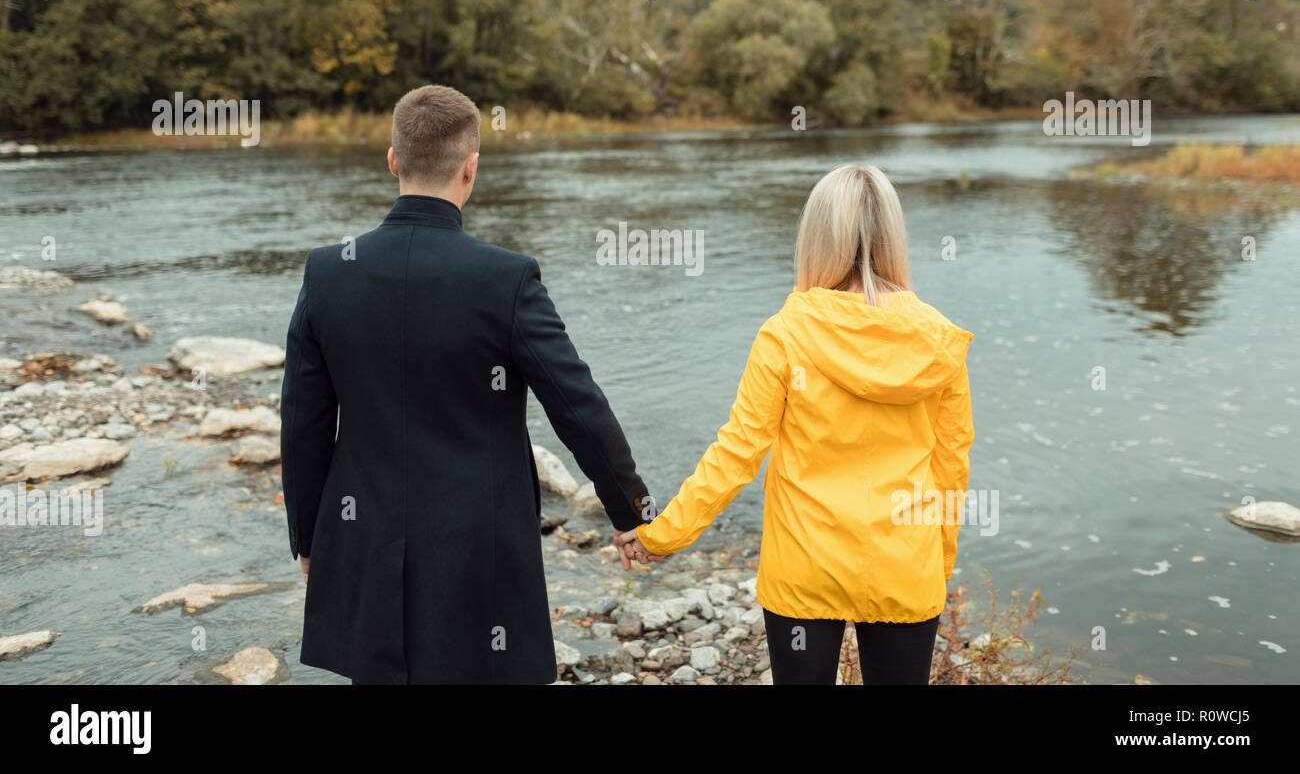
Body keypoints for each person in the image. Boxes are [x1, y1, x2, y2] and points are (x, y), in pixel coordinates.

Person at [281, 84, 655, 684]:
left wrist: (309, 538)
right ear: (471, 168)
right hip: (479, 558)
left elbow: (302, 422)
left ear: (393, 160)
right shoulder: (504, 278)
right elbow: (576, 403)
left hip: (366, 544)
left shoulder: (329, 273)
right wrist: (631, 508)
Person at [617, 163, 975, 685]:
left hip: (804, 567)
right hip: (906, 564)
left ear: (816, 239)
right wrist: (936, 567)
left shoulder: (786, 334)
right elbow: (951, 468)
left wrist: (663, 534)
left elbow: (738, 452)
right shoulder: (940, 341)